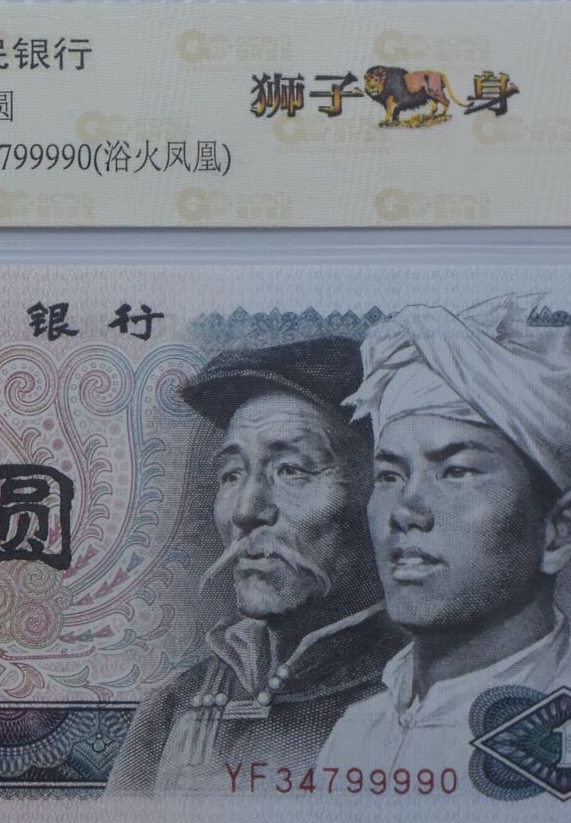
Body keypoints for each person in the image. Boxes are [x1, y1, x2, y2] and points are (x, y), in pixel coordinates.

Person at [316, 293, 571, 776]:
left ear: (560, 531)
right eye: (389, 475)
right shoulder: (355, 733)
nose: (405, 511)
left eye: (456, 472)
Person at [108, 338, 403, 794]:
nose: (246, 511)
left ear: (382, 491)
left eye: (291, 470)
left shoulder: (431, 697)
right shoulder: (175, 706)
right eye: (232, 474)